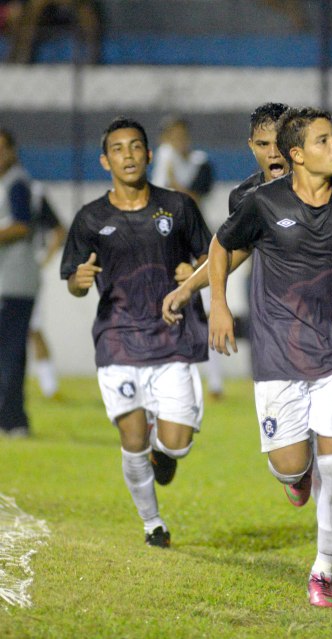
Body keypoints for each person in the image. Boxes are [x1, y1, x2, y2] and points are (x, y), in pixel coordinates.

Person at [162, 102, 332, 570]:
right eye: (262, 145)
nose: (273, 155)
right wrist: (191, 288)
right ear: (253, 148)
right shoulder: (252, 199)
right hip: (290, 337)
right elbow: (232, 249)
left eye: (277, 145)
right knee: (315, 448)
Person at [206, 106, 332, 607]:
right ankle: (297, 477)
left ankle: (322, 570)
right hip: (279, 351)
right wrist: (219, 307)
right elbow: (221, 246)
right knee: (293, 466)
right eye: (323, 140)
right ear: (297, 155)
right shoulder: (261, 203)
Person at [60, 116, 212, 548]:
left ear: (148, 154)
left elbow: (211, 258)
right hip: (118, 336)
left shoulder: (179, 207)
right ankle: (153, 524)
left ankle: (164, 454)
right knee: (131, 435)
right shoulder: (90, 218)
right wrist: (79, 281)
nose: (128, 155)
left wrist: (194, 271)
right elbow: (72, 279)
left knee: (176, 443)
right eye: (118, 149)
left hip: (172, 335)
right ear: (105, 161)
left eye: (135, 147)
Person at [151, 116, 223, 398]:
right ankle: (164, 375)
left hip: (197, 246)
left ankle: (215, 382)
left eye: (180, 134)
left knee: (204, 313)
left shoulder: (200, 163)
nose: (176, 140)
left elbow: (192, 197)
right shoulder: (161, 160)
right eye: (171, 135)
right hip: (165, 245)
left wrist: (172, 180)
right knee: (161, 309)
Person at [0, 127, 40, 437]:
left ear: (13, 151)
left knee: (10, 351)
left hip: (15, 282)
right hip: (9, 280)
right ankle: (13, 418)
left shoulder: (17, 183)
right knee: (11, 350)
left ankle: (12, 419)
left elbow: (22, 225)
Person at [28, 181, 66, 399]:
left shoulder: (33, 191)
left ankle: (49, 385)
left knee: (33, 327)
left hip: (23, 272)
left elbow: (58, 230)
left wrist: (43, 260)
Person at [6, 0, 101, 64]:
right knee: (17, 13)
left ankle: (93, 59)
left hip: (67, 13)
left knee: (88, 16)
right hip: (42, 16)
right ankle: (19, 57)